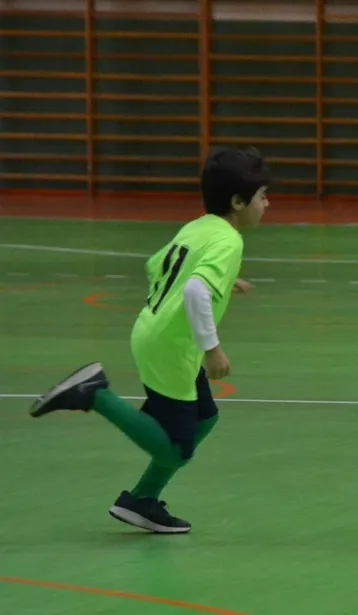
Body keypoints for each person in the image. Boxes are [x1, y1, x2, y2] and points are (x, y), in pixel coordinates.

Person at [28, 146, 271, 534]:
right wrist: (212, 348)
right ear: (238, 202)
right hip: (171, 346)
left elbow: (156, 264)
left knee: (205, 418)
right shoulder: (229, 241)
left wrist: (224, 282)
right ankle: (95, 395)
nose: (267, 204)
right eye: (261, 196)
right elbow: (195, 290)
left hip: (157, 334)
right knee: (175, 448)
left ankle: (141, 501)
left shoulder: (198, 227)